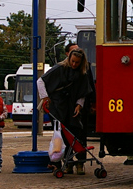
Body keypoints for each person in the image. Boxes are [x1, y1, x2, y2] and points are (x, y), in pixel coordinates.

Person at [38, 45, 93, 174]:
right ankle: (64, 163)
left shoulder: (82, 73)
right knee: (60, 135)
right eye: (72, 61)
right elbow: (40, 81)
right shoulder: (59, 68)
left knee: (75, 134)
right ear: (68, 58)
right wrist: (45, 97)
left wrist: (79, 105)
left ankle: (77, 163)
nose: (74, 64)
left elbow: (82, 92)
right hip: (58, 106)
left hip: (71, 106)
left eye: (77, 63)